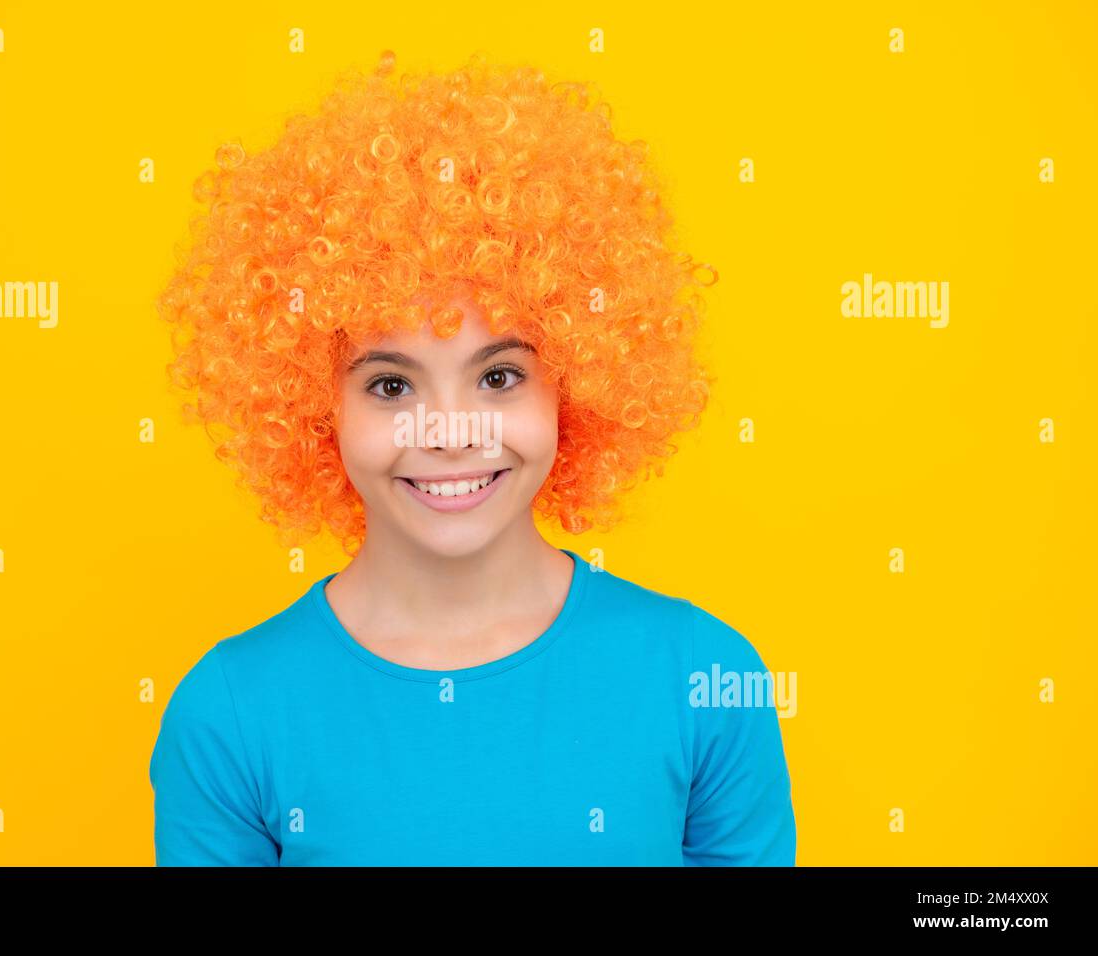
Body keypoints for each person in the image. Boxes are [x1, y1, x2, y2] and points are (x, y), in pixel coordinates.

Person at [149, 50, 795, 866]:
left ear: (576, 383)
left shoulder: (705, 680)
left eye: (499, 376)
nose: (451, 432)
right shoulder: (231, 714)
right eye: (390, 386)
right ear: (319, 410)